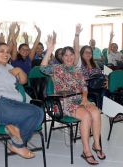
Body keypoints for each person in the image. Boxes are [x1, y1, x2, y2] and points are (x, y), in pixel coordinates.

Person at [40, 31, 106, 165]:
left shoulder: (78, 70)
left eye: (71, 55)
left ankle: (96, 145)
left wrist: (85, 99)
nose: (69, 57)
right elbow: (42, 68)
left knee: (96, 112)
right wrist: (50, 50)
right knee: (86, 116)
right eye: (66, 55)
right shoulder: (57, 68)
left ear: (75, 56)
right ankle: (86, 151)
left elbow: (84, 86)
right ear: (62, 57)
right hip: (64, 102)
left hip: (80, 100)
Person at [0, 17, 44, 159]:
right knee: (35, 114)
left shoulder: (10, 67)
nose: (6, 54)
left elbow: (23, 81)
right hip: (0, 104)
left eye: (7, 51)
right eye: (1, 51)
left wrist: (18, 70)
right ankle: (18, 143)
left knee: (38, 112)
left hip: (14, 104)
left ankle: (14, 131)